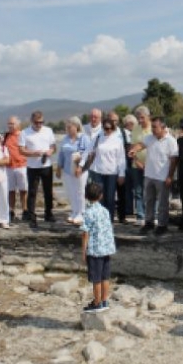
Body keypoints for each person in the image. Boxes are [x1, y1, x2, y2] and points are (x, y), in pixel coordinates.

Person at [129, 117, 178, 236]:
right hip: (149, 175)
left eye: (155, 127)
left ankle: (162, 225)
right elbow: (141, 145)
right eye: (152, 127)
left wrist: (170, 176)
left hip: (162, 176)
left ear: (163, 127)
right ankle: (149, 223)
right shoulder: (150, 138)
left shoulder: (171, 141)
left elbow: (174, 160)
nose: (153, 130)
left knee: (162, 202)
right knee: (149, 200)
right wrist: (134, 150)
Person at [77, 118, 126, 221]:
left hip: (112, 173)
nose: (107, 131)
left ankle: (109, 219)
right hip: (98, 171)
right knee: (98, 197)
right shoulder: (98, 138)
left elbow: (121, 158)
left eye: (109, 129)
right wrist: (81, 165)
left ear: (113, 129)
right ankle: (99, 218)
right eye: (105, 128)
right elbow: (87, 151)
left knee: (110, 197)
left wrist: (122, 174)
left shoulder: (118, 141)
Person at [80, 182, 116, 313]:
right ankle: (104, 300)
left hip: (94, 251)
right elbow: (108, 229)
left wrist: (83, 251)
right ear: (101, 196)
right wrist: (110, 247)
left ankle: (97, 302)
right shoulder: (105, 211)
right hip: (106, 249)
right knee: (105, 277)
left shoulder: (88, 213)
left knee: (96, 279)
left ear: (85, 196)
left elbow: (85, 233)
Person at [19, 111, 56, 227]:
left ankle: (48, 213)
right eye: (37, 122)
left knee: (48, 191)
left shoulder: (48, 131)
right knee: (32, 192)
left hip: (46, 165)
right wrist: (34, 153)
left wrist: (50, 151)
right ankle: (32, 216)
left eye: (41, 122)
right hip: (32, 166)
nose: (39, 124)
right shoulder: (24, 133)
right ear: (32, 121)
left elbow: (54, 146)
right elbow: (21, 150)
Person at [57, 116, 89, 225]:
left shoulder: (83, 138)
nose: (68, 129)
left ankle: (81, 212)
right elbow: (61, 153)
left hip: (79, 169)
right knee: (71, 191)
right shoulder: (65, 139)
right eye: (67, 127)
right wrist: (58, 167)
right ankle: (74, 211)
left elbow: (86, 154)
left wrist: (80, 166)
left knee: (80, 191)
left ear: (76, 127)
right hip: (67, 169)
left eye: (69, 127)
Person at [130, 106, 153, 226]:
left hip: (152, 166)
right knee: (138, 191)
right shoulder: (135, 129)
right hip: (137, 165)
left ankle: (152, 215)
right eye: (139, 118)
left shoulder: (154, 128)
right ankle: (140, 215)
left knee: (150, 191)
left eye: (142, 118)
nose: (140, 120)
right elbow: (132, 147)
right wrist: (137, 161)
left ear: (148, 117)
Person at [4, 116, 28, 222]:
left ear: (18, 125)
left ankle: (25, 210)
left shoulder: (23, 135)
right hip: (9, 167)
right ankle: (11, 210)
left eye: (12, 123)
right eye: (9, 124)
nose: (10, 126)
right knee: (11, 190)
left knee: (23, 190)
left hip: (21, 165)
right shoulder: (6, 136)